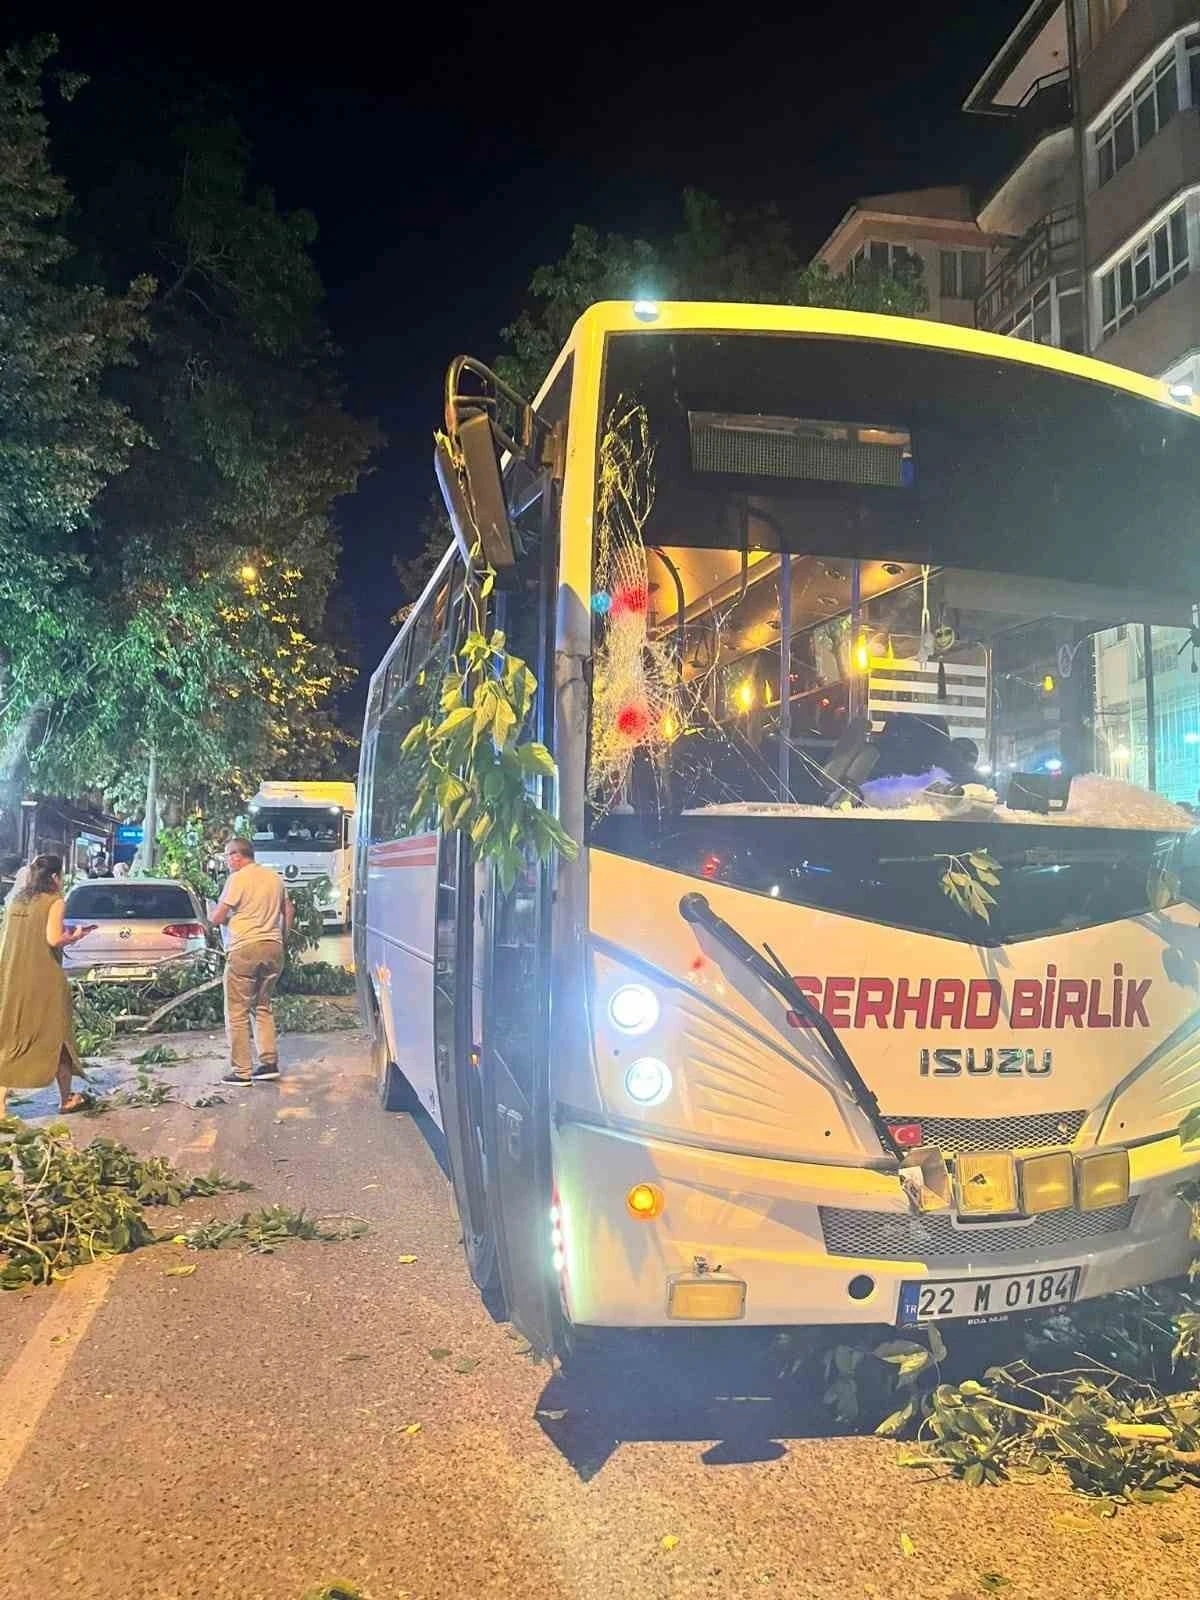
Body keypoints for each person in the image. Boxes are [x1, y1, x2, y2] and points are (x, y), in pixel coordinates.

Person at [0, 854, 94, 1117]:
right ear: (54, 877)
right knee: (58, 1037)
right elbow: (53, 939)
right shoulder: (54, 901)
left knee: (12, 1036)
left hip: (12, 977)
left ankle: (0, 1104)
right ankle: (66, 1099)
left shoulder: (18, 900)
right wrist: (74, 936)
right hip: (45, 979)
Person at [211, 837, 293, 1085]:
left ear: (238, 856)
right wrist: (282, 938)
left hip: (244, 948)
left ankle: (241, 1071)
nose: (227, 861)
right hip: (273, 948)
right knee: (262, 1006)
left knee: (237, 1012)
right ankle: (268, 1063)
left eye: (228, 855)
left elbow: (217, 917)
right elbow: (288, 910)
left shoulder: (238, 879)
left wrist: (216, 917)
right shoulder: (274, 878)